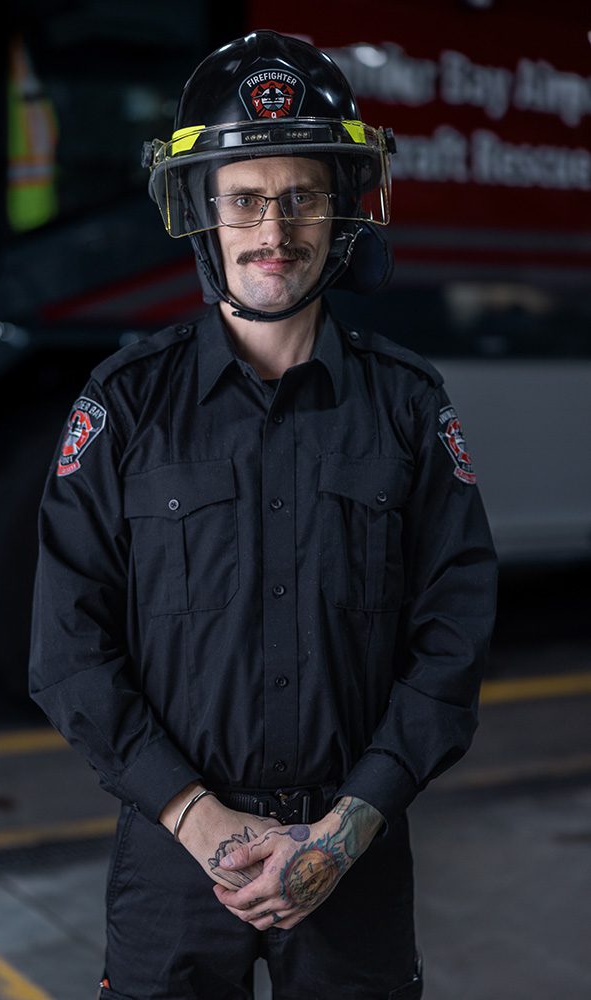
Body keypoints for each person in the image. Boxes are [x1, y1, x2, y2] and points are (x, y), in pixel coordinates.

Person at [29, 29, 497, 1000]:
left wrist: (343, 830)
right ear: (204, 210)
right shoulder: (124, 406)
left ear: (341, 213)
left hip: (352, 857)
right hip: (172, 857)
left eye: (301, 198)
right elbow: (66, 646)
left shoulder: (408, 407)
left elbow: (454, 636)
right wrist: (198, 818)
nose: (272, 231)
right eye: (245, 199)